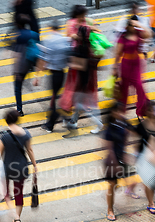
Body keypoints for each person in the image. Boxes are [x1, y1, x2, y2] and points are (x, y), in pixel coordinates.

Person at [60, 5, 101, 137]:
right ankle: (74, 118)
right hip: (79, 59)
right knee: (77, 88)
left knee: (79, 90)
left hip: (83, 61)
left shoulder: (87, 23)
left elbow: (97, 32)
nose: (83, 17)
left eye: (84, 15)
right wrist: (86, 30)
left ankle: (77, 117)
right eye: (81, 15)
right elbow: (70, 35)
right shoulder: (72, 23)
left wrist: (89, 29)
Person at [0, 110, 37, 222]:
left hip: (7, 168)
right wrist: (35, 165)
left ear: (6, 120)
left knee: (5, 193)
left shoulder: (4, 136)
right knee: (18, 192)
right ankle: (18, 218)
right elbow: (30, 150)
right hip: (21, 167)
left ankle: (13, 214)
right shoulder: (26, 133)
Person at [103, 103, 139, 221]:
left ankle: (128, 190)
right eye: (117, 111)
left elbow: (134, 132)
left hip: (122, 158)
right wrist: (116, 164)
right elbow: (109, 148)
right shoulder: (110, 129)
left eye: (121, 111)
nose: (120, 113)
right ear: (112, 113)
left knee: (120, 183)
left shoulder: (123, 122)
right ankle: (110, 209)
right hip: (112, 161)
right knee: (112, 186)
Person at [112, 16, 151, 117]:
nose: (134, 27)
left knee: (139, 86)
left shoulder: (138, 33)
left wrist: (139, 25)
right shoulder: (122, 37)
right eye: (132, 25)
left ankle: (141, 111)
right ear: (127, 26)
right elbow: (118, 54)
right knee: (124, 89)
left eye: (135, 25)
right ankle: (121, 112)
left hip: (136, 64)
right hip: (126, 65)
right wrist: (114, 68)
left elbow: (149, 34)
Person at [38, 21, 71, 133]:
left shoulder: (49, 41)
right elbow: (69, 55)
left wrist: (38, 75)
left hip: (54, 74)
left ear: (51, 28)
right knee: (55, 97)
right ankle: (63, 119)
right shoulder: (65, 40)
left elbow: (44, 59)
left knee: (54, 100)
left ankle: (50, 124)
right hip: (62, 73)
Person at [135, 101, 155, 214]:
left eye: (154, 109)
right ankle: (151, 203)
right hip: (145, 157)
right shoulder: (142, 125)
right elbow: (138, 140)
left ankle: (131, 187)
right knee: (149, 182)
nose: (153, 112)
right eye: (150, 110)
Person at [13, 14, 39, 116]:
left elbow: (18, 54)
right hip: (33, 61)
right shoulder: (34, 34)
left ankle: (19, 110)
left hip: (23, 63)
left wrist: (17, 70)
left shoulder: (18, 36)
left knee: (18, 87)